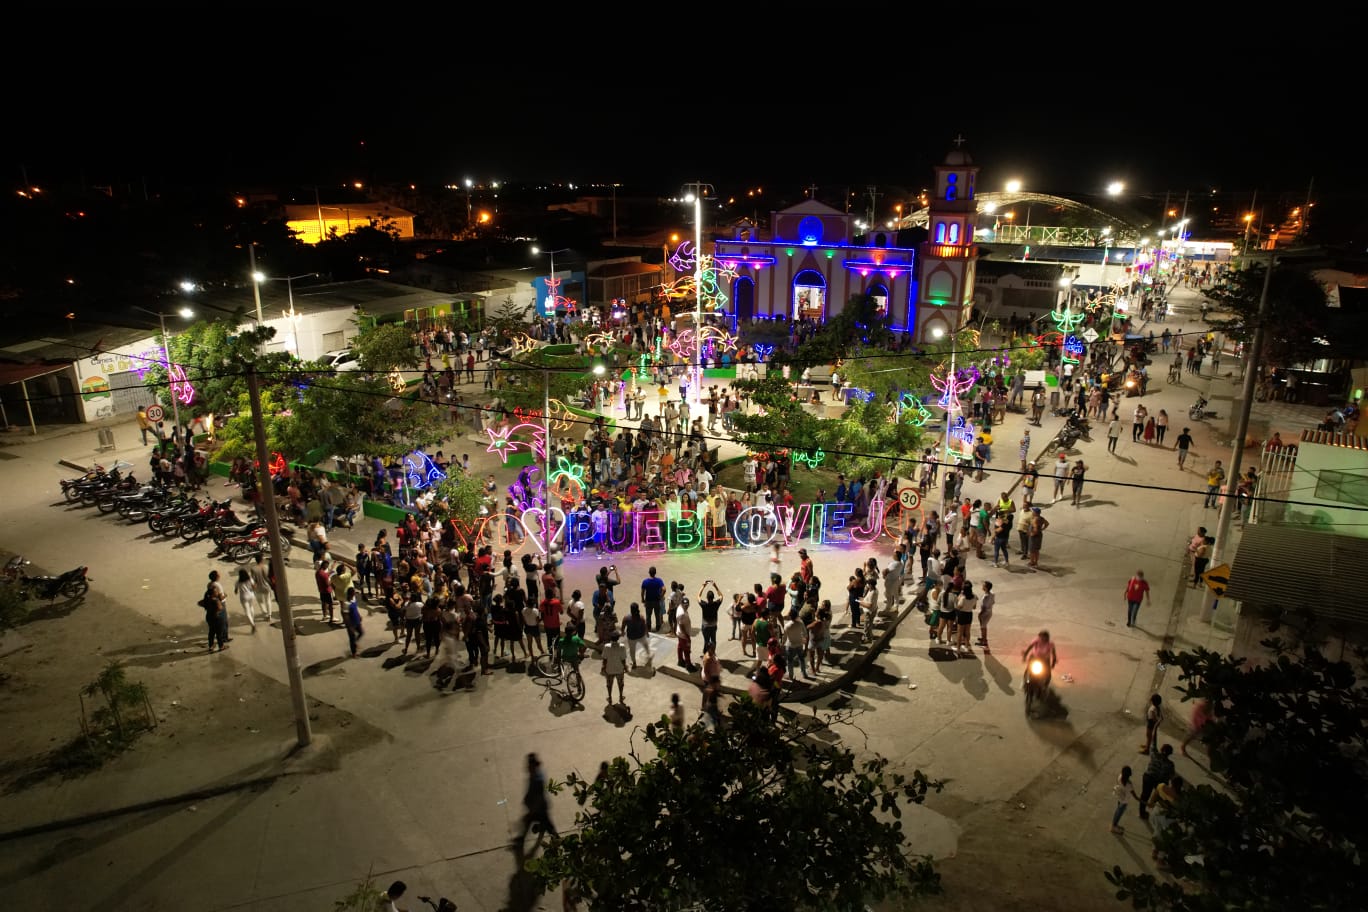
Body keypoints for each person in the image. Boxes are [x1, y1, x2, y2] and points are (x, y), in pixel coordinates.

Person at [517, 753, 558, 850]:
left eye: (529, 765)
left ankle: (558, 841)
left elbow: (538, 798)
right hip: (538, 807)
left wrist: (531, 811)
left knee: (548, 826)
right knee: (544, 825)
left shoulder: (538, 779)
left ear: (533, 766)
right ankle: (521, 839)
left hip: (540, 809)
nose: (527, 767)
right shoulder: (535, 775)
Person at [1136, 744, 1175, 821]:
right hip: (1159, 781)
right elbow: (1171, 776)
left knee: (1145, 795)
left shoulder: (1155, 755)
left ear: (1161, 749)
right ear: (1170, 753)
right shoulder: (1170, 764)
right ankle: (1158, 812)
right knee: (1162, 797)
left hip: (1148, 777)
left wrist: (1155, 732)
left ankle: (1142, 813)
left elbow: (1153, 745)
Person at [202, 570, 229, 652]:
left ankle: (211, 646)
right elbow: (220, 605)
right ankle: (222, 644)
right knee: (220, 629)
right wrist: (225, 595)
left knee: (211, 631)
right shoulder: (216, 598)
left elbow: (201, 603)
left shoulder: (209, 587)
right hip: (217, 617)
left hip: (209, 616)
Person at [1110, 766, 1140, 835]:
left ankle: (1115, 824)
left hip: (1120, 797)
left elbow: (1117, 782)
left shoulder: (1120, 776)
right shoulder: (1129, 785)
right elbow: (1135, 796)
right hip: (1124, 801)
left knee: (1118, 810)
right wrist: (1142, 801)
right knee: (1119, 813)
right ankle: (1113, 826)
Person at [600, 631, 627, 704]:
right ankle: (621, 696)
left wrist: (603, 667)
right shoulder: (622, 646)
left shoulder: (606, 646)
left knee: (609, 684)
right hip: (619, 669)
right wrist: (625, 667)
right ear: (618, 638)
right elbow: (623, 659)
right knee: (620, 684)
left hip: (609, 670)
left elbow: (604, 659)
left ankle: (610, 697)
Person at [697, 580, 722, 653]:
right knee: (713, 640)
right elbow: (721, 596)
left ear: (707, 597)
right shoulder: (716, 604)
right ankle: (713, 653)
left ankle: (706, 653)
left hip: (705, 626)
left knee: (706, 640)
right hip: (713, 625)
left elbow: (698, 596)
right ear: (713, 597)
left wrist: (703, 586)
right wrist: (715, 586)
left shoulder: (704, 604)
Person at [640, 566, 666, 633]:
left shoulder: (645, 581)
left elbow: (643, 592)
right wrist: (661, 596)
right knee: (657, 614)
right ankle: (658, 627)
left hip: (648, 600)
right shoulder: (659, 580)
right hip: (657, 600)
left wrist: (643, 599)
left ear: (649, 573)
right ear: (655, 573)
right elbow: (664, 589)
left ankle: (649, 627)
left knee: (648, 615)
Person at [233, 567, 259, 632]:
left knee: (247, 611)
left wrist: (237, 591)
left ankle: (252, 624)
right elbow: (254, 587)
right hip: (251, 595)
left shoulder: (238, 582)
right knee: (251, 607)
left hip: (243, 596)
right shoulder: (250, 579)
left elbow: (235, 591)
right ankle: (252, 620)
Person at [343, 586, 364, 657]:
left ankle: (355, 643)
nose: (354, 595)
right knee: (352, 638)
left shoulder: (354, 599)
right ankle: (354, 653)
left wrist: (359, 615)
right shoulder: (346, 603)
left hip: (357, 620)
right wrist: (349, 626)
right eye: (352, 593)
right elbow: (345, 616)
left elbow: (356, 608)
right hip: (351, 623)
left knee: (361, 632)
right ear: (349, 594)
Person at [976, 580, 995, 651]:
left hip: (985, 613)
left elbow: (984, 607)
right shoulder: (992, 594)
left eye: (983, 586)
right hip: (989, 612)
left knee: (983, 627)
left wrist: (980, 614)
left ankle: (984, 642)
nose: (982, 586)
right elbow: (993, 602)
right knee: (983, 626)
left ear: (986, 588)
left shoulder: (986, 597)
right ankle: (983, 638)